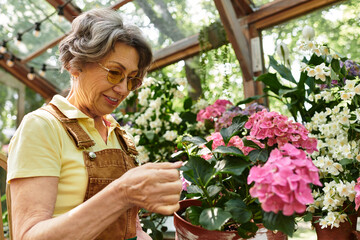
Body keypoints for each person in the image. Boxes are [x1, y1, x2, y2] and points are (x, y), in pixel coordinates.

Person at [7, 8, 182, 240]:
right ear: (75, 65)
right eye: (114, 73)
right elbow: (28, 236)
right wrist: (122, 192)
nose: (123, 89)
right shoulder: (42, 126)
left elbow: (133, 229)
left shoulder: (119, 134)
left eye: (132, 79)